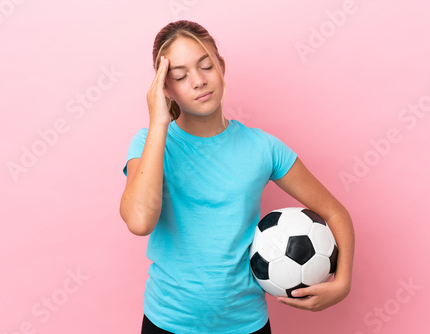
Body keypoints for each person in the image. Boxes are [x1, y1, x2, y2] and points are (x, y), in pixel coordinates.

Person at [120, 20, 355, 334]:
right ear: (165, 87)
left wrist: (343, 283)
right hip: (167, 323)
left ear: (222, 67)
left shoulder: (263, 148)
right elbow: (139, 221)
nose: (198, 81)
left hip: (245, 325)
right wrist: (159, 123)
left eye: (206, 66)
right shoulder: (148, 143)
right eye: (180, 76)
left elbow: (336, 212)